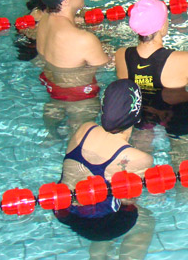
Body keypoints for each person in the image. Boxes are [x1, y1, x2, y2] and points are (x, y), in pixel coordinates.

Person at [56, 79, 154, 255]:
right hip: (102, 225)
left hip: (65, 213)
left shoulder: (85, 129)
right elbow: (129, 201)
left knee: (99, 218)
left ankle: (97, 254)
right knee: (145, 222)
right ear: (137, 115)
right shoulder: (139, 158)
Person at [115, 0, 188, 167]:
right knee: (182, 162)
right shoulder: (182, 58)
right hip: (177, 112)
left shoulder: (121, 55)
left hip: (141, 111)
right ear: (162, 26)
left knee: (139, 160)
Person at [35, 0, 109, 102]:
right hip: (78, 94)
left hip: (50, 82)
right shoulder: (84, 40)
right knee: (84, 123)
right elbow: (107, 67)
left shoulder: (44, 20)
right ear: (65, 1)